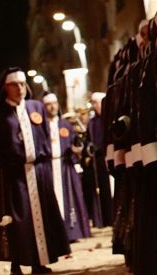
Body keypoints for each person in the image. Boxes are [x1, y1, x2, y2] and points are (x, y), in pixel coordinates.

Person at [0, 68, 70, 274]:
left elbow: (47, 135)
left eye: (22, 84)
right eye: (15, 85)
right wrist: (5, 162)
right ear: (5, 88)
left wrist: (43, 157)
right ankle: (16, 263)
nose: (20, 88)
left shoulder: (36, 107)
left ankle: (39, 262)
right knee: (17, 221)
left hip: (38, 173)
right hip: (13, 176)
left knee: (41, 218)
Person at [42, 93, 90, 243]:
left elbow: (76, 143)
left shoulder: (65, 125)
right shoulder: (41, 126)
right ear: (44, 107)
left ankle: (71, 232)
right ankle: (54, 234)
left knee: (70, 198)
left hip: (65, 166)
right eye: (49, 104)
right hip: (49, 166)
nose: (53, 106)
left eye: (55, 103)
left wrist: (77, 150)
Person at [82, 92, 111, 229]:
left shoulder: (110, 118)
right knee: (101, 190)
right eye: (92, 103)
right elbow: (88, 141)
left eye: (96, 102)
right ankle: (103, 219)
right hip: (98, 160)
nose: (94, 106)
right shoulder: (92, 123)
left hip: (110, 156)